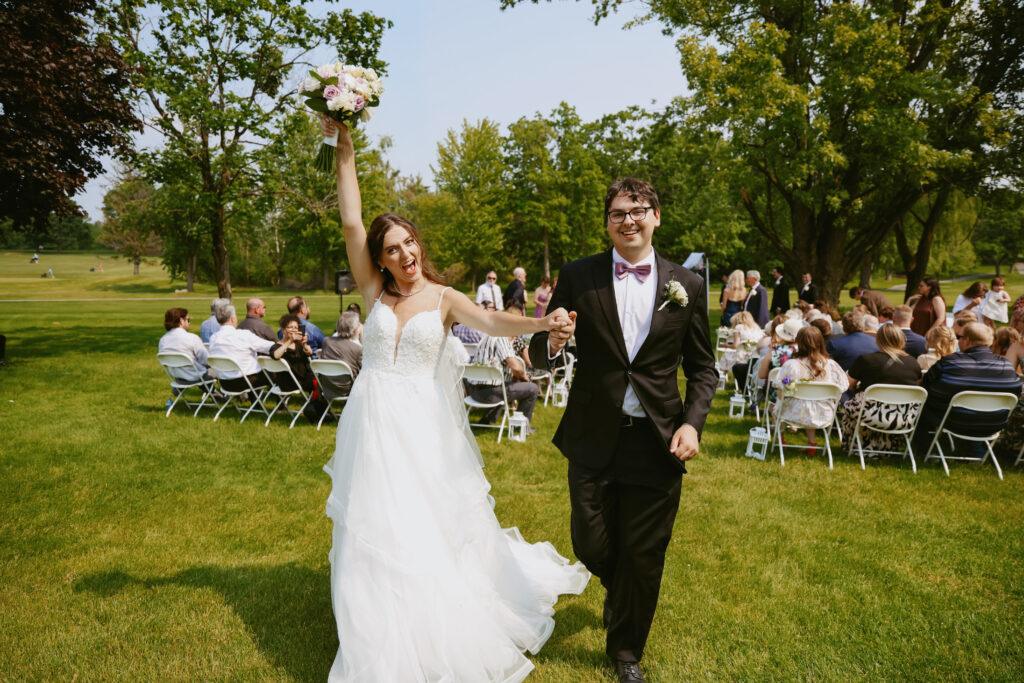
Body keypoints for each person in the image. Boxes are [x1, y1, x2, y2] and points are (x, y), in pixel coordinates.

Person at [322, 118, 589, 682]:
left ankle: (430, 620)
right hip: (370, 423)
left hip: (420, 427)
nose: (404, 254)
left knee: (420, 523)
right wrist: (343, 145)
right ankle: (373, 623)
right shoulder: (373, 291)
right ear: (382, 258)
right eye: (392, 249)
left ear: (420, 244)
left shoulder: (443, 298)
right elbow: (349, 219)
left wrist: (541, 322)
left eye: (409, 242)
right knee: (372, 519)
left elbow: (491, 319)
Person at [528, 176, 717, 683]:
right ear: (607, 223)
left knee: (645, 552)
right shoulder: (578, 275)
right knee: (590, 543)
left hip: (659, 439)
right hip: (592, 433)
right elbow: (540, 355)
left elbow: (704, 368)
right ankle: (621, 589)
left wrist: (692, 425)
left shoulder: (688, 285)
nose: (628, 220)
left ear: (656, 216)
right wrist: (552, 340)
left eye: (637, 210)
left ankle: (627, 652)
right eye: (618, 213)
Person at [913, 323, 1023, 456]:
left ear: (968, 340)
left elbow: (926, 385)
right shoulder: (1006, 366)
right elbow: (1015, 394)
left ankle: (926, 450)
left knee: (922, 404)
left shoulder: (950, 362)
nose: (958, 340)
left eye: (960, 337)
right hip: (993, 422)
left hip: (955, 420)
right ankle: (976, 450)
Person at [840, 325, 923, 452]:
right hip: (902, 416)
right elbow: (916, 388)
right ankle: (887, 447)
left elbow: (848, 384)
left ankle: (859, 447)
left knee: (850, 405)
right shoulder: (913, 363)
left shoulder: (866, 360)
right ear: (901, 340)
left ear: (878, 340)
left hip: (870, 414)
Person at [775, 326, 846, 451]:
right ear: (820, 342)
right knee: (811, 404)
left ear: (799, 342)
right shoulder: (831, 365)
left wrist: (781, 401)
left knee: (777, 406)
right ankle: (811, 444)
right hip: (823, 413)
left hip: (793, 414)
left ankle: (781, 440)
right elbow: (843, 386)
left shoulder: (790, 365)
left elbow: (780, 390)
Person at [468, 324, 541, 430]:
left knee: (505, 386)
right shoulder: (501, 338)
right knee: (532, 388)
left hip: (473, 392)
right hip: (489, 395)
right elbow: (516, 368)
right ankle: (521, 428)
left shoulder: (486, 337)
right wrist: (525, 378)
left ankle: (486, 420)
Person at [207, 303, 290, 393]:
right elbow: (269, 347)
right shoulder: (243, 335)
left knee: (250, 365)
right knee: (279, 371)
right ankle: (281, 405)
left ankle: (256, 404)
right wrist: (286, 341)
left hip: (225, 383)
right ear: (233, 319)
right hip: (246, 381)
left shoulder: (213, 338)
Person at [319, 311, 364, 399]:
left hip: (327, 388)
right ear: (355, 331)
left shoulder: (326, 341)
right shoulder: (357, 349)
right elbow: (363, 371)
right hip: (347, 390)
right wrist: (362, 338)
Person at [158, 308, 209, 383]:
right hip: (197, 376)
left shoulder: (163, 341)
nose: (189, 323)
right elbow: (206, 360)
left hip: (177, 377)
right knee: (222, 369)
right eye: (188, 320)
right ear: (181, 321)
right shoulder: (192, 338)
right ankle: (219, 393)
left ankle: (213, 392)